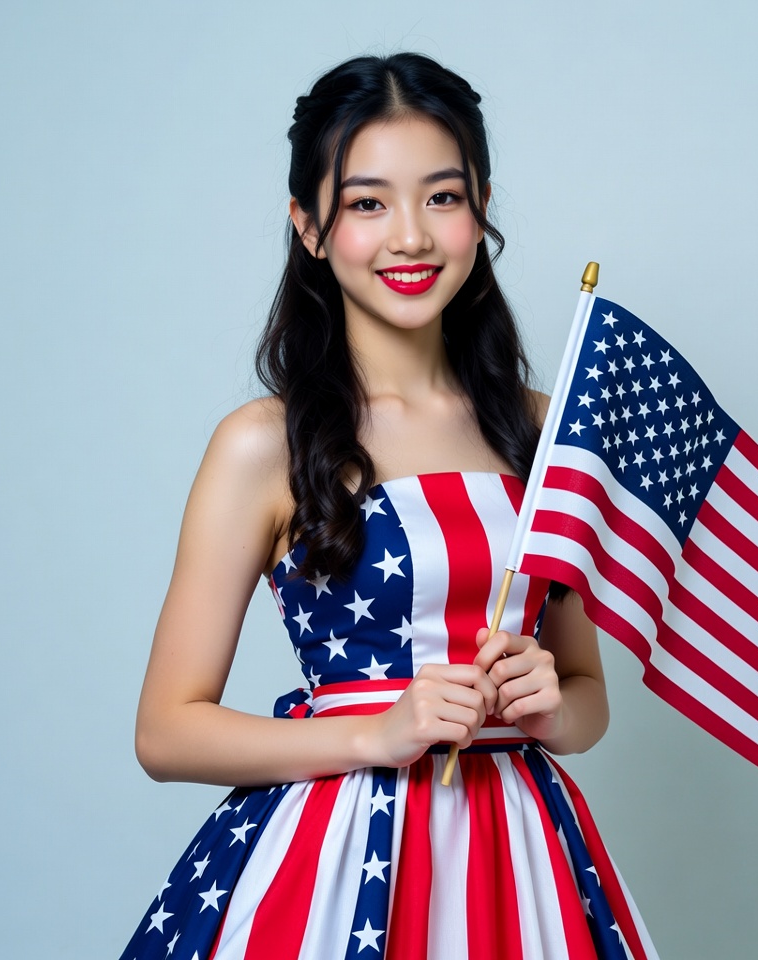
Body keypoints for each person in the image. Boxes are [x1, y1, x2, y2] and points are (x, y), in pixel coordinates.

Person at [119, 52, 658, 960]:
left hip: (524, 860)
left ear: (481, 209)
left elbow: (586, 696)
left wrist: (550, 711)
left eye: (442, 197)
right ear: (309, 226)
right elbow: (165, 730)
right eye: (367, 203)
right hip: (334, 867)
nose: (411, 236)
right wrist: (377, 732)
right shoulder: (263, 444)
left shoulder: (545, 429)